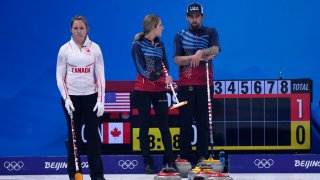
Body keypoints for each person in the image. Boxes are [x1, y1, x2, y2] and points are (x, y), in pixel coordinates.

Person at [56, 15, 106, 180]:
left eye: (81, 28)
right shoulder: (65, 49)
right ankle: (73, 174)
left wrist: (100, 101)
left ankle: (97, 175)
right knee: (73, 138)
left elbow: (100, 76)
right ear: (71, 29)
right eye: (75, 28)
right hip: (71, 100)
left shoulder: (95, 48)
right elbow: (59, 76)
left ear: (87, 29)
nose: (78, 31)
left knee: (93, 137)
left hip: (90, 98)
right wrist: (66, 98)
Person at [173, 2, 221, 164]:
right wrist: (193, 58)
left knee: (203, 123)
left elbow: (216, 50)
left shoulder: (210, 32)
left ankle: (203, 156)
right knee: (185, 123)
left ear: (202, 17)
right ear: (187, 18)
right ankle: (185, 157)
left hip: (205, 85)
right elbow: (177, 60)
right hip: (185, 86)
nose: (194, 19)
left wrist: (201, 52)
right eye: (191, 17)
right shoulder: (179, 35)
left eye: (197, 16)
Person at [131, 14, 175, 174]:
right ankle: (148, 163)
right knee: (144, 126)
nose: (163, 28)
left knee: (164, 126)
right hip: (142, 91)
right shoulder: (137, 45)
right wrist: (162, 78)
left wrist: (166, 76)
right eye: (160, 25)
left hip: (159, 91)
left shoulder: (160, 45)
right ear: (153, 27)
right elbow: (142, 70)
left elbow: (166, 66)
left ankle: (169, 161)